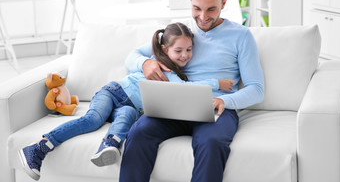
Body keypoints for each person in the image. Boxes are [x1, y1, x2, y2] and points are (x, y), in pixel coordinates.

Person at [19, 22, 235, 181]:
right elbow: (185, 87)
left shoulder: (176, 74)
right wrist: (217, 82)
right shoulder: (159, 65)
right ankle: (39, 148)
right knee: (93, 119)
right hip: (114, 92)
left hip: (130, 106)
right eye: (178, 50)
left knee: (127, 120)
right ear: (164, 49)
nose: (185, 55)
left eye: (189, 50)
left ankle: (109, 144)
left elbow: (184, 89)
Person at [119, 0, 265, 182]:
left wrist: (224, 100)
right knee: (139, 132)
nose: (203, 17)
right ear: (190, 1)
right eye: (197, 8)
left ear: (223, 3)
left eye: (211, 9)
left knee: (212, 142)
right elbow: (131, 56)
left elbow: (256, 88)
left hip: (216, 108)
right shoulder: (181, 31)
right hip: (173, 106)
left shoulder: (241, 36)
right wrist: (145, 63)